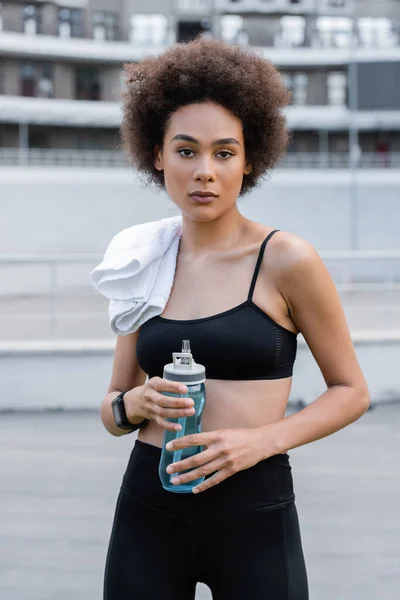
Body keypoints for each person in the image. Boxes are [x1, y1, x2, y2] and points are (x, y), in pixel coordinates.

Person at [99, 36, 370, 599]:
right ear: (157, 154)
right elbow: (112, 407)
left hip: (253, 511)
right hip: (147, 510)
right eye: (186, 150)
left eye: (224, 153)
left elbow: (350, 390)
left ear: (249, 161)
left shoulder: (287, 260)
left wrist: (260, 443)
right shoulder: (139, 259)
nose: (205, 171)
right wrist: (135, 404)